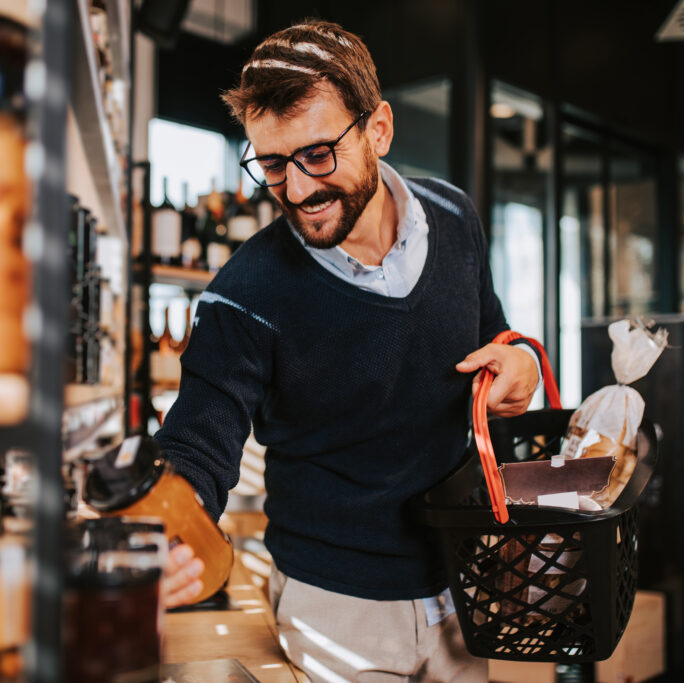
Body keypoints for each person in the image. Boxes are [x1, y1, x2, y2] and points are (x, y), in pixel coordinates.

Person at [156, 19, 539, 682]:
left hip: (462, 587)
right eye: (271, 164)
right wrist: (170, 526)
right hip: (337, 612)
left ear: (379, 129)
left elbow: (495, 335)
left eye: (317, 154)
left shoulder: (454, 218)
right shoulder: (243, 293)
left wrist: (523, 362)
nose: (297, 190)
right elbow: (198, 442)